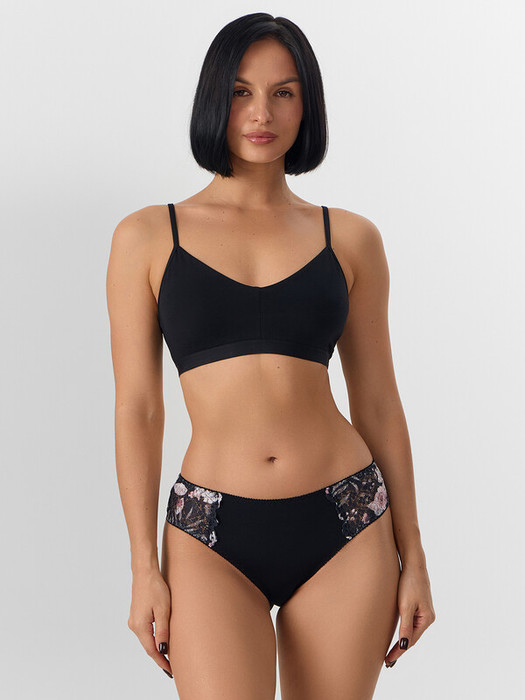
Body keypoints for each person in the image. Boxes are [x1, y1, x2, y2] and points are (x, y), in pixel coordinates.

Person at [106, 12, 435, 699]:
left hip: (347, 520)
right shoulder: (147, 236)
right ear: (213, 99)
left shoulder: (350, 238)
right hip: (209, 531)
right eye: (241, 92)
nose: (262, 113)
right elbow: (138, 409)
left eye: (284, 92)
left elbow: (377, 402)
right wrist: (142, 568)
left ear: (306, 105)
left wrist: (414, 555)